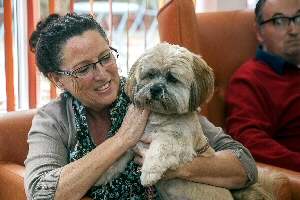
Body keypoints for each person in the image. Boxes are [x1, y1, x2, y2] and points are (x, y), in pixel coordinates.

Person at [24, 12, 257, 200]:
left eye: (106, 57)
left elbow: (245, 166)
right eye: (84, 68)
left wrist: (179, 168)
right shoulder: (53, 119)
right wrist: (122, 139)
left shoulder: (150, 95)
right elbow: (41, 193)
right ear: (57, 79)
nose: (102, 74)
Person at [226, 0, 300, 172]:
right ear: (259, 32)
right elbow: (250, 143)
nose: (294, 30)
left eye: (298, 18)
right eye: (279, 21)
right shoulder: (249, 80)